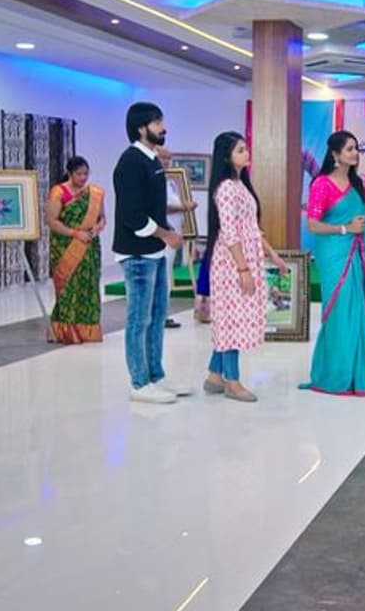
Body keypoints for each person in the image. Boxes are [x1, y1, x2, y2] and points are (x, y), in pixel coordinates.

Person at [203, 131, 290, 403]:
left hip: (245, 257)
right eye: (240, 150)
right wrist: (242, 270)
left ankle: (214, 375)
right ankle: (232, 381)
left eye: (246, 148)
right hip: (231, 262)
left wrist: (272, 255)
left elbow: (252, 229)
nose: (247, 153)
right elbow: (230, 232)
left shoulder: (240, 185)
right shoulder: (227, 188)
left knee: (234, 318)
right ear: (226, 157)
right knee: (232, 321)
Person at [113, 102, 186, 404]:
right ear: (141, 127)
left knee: (157, 317)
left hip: (154, 251)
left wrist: (166, 233)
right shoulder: (130, 162)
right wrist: (166, 234)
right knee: (138, 320)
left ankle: (156, 375)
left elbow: (155, 208)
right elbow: (132, 215)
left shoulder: (152, 160)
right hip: (137, 253)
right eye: (157, 123)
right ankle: (140, 382)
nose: (163, 128)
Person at [300, 130, 365, 397]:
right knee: (339, 311)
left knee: (358, 311)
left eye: (356, 148)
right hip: (335, 256)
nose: (355, 153)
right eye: (349, 149)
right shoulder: (322, 184)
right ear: (335, 154)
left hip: (359, 253)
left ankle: (357, 375)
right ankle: (335, 374)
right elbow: (313, 225)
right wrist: (346, 228)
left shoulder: (357, 185)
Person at [44, 156, 105, 344]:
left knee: (88, 286)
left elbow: (102, 217)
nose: (83, 178)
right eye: (79, 174)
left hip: (89, 246)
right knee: (68, 288)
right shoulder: (58, 192)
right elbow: (51, 221)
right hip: (65, 247)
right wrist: (75, 233)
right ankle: (64, 331)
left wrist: (98, 227)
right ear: (70, 173)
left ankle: (88, 330)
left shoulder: (94, 193)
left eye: (86, 174)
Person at [152, 144, 198, 329]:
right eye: (162, 158)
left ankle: (162, 314)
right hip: (163, 235)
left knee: (166, 276)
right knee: (160, 277)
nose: (166, 162)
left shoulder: (169, 182)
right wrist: (183, 207)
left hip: (173, 235)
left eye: (168, 158)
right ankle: (157, 316)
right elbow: (159, 207)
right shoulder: (153, 180)